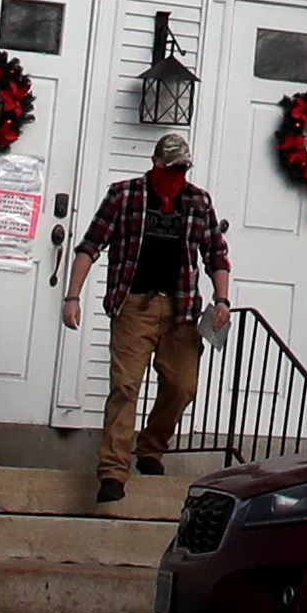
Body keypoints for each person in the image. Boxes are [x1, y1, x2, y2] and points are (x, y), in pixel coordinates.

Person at [62, 130, 235, 504]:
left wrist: (222, 300)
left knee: (182, 385)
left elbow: (216, 255)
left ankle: (151, 446)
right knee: (125, 387)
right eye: (171, 167)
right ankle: (112, 471)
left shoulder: (198, 202)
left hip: (182, 310)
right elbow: (89, 246)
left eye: (183, 168)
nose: (177, 175)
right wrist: (72, 296)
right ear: (156, 164)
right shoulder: (124, 196)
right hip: (135, 305)